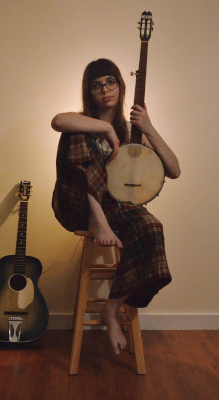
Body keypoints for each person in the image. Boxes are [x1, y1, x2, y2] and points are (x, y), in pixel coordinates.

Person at [51, 58, 181, 355]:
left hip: (114, 208)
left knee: (151, 226)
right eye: (96, 85)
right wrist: (105, 130)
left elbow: (173, 170)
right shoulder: (81, 122)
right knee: (74, 132)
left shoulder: (133, 133)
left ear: (120, 86)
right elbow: (58, 121)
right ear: (89, 91)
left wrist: (148, 127)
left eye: (110, 82)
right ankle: (97, 218)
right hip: (76, 205)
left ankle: (111, 309)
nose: (105, 90)